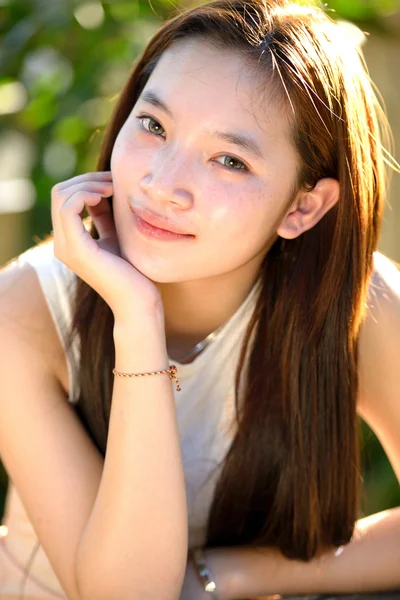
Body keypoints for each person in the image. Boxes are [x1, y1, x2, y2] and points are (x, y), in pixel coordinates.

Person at [0, 0, 400, 598]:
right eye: (154, 125)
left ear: (302, 206)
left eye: (230, 160)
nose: (162, 184)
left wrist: (234, 573)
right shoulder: (24, 310)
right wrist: (136, 317)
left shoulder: (358, 305)